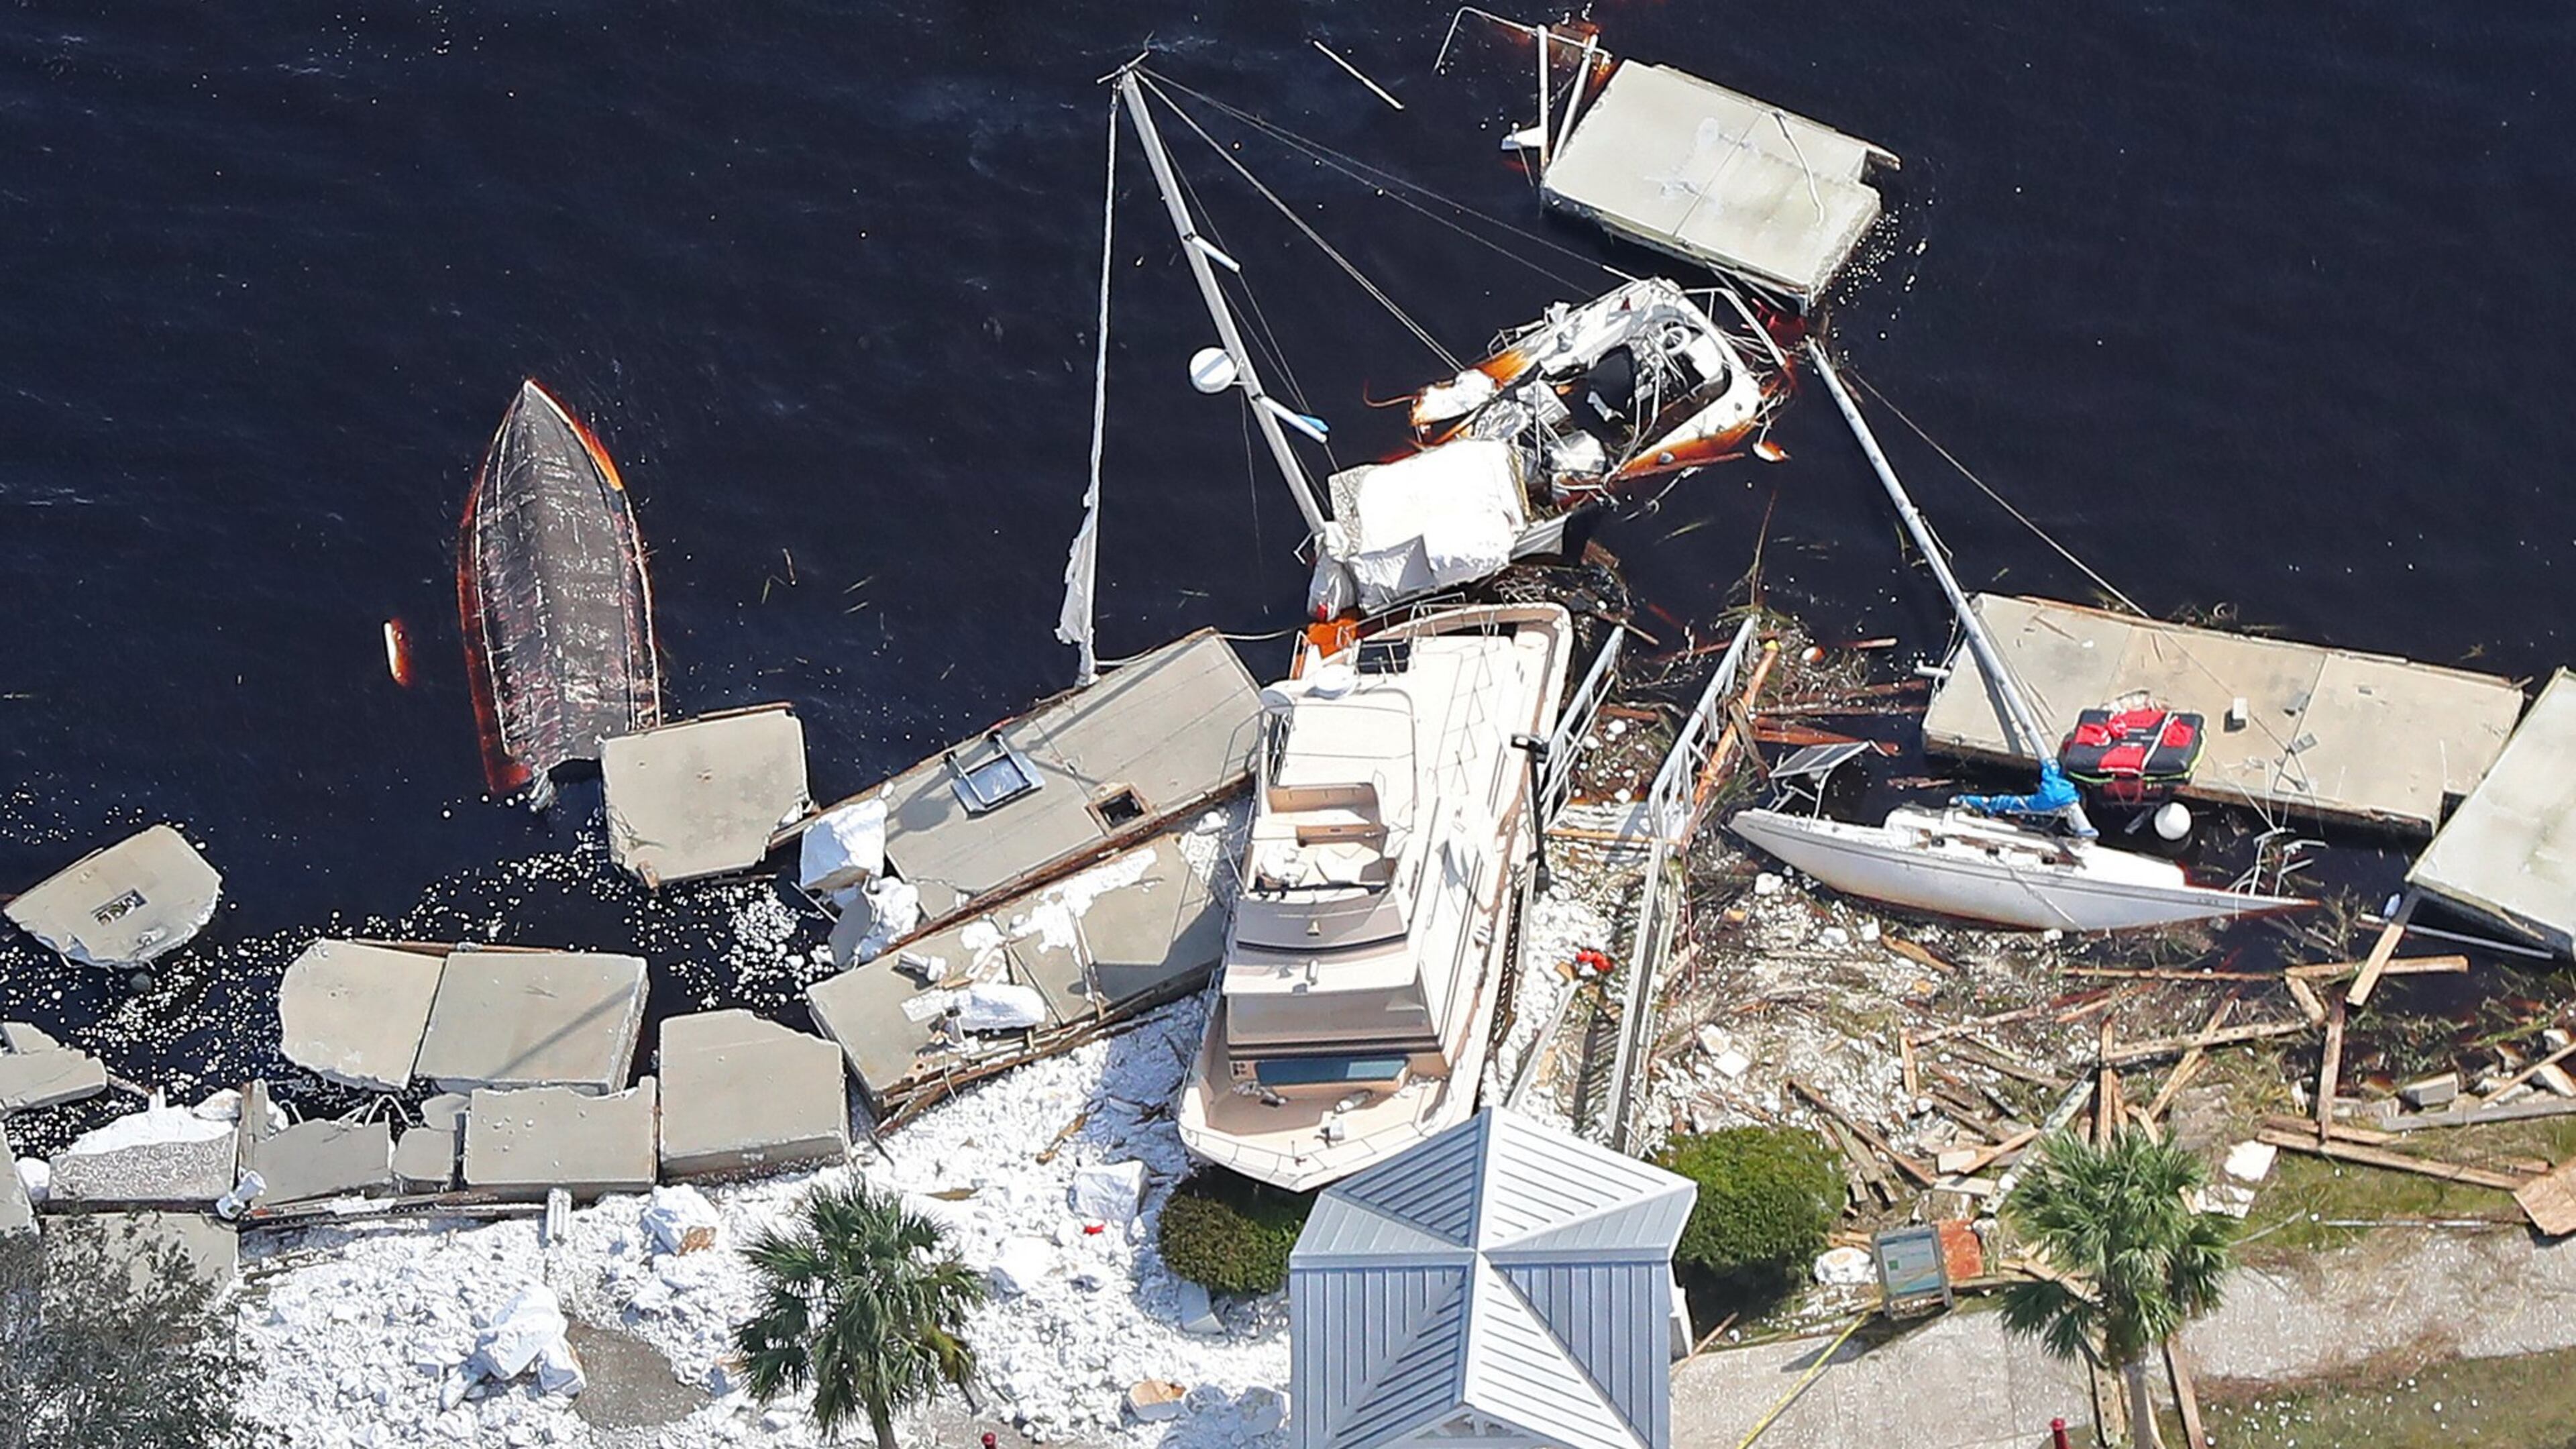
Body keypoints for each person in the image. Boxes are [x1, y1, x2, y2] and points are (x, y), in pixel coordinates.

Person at [1953, 759, 2098, 839]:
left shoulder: (2056, 789)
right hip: (2024, 812)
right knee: (2003, 804)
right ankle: (1966, 802)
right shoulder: (2048, 800)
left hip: (2027, 812)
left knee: (2004, 803)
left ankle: (1967, 801)